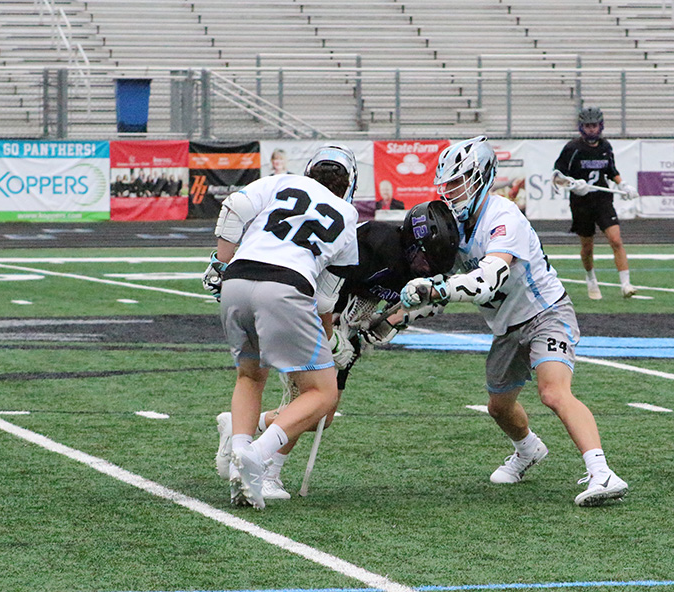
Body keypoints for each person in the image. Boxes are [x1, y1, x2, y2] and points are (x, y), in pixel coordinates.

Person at [401, 136, 628, 506]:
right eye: (448, 185)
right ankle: (528, 450)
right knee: (499, 407)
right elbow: (440, 284)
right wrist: (401, 308)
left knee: (553, 392)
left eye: (459, 183)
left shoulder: (503, 215)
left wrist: (435, 290)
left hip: (546, 313)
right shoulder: (453, 227)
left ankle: (602, 472)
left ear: (481, 178)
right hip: (506, 326)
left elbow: (487, 280)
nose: (451, 193)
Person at [214, 200, 460, 500]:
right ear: (410, 241)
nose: (427, 268)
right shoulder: (374, 245)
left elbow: (401, 312)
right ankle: (269, 470)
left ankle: (241, 425)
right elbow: (323, 292)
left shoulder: (424, 273)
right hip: (311, 311)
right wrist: (331, 339)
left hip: (345, 323)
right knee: (305, 395)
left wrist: (373, 330)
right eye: (424, 259)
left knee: (323, 415)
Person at [202, 145, 360, 509]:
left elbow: (237, 207)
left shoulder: (283, 182)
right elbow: (324, 301)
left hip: (237, 279)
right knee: (322, 393)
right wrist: (331, 341)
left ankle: (240, 455)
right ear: (348, 183)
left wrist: (219, 263)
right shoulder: (347, 215)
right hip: (286, 287)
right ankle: (257, 454)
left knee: (249, 376)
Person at [553, 106, 639, 300]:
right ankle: (591, 278)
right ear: (581, 127)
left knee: (616, 240)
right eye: (588, 126)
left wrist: (623, 185)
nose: (591, 129)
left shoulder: (605, 146)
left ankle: (626, 284)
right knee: (587, 247)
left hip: (602, 200)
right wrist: (573, 185)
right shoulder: (572, 148)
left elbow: (611, 170)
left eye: (594, 125)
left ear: (600, 126)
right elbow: (557, 176)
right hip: (581, 202)